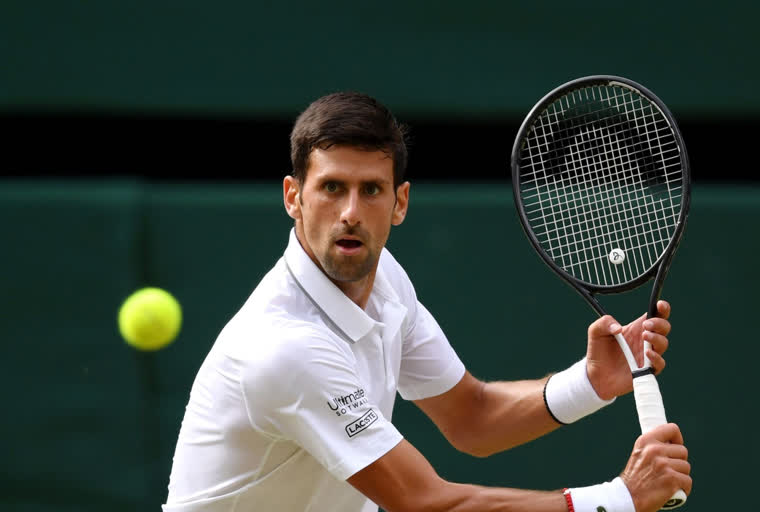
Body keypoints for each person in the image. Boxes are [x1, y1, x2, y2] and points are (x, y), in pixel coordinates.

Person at [163, 91, 692, 512]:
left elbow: (473, 419)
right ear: (293, 198)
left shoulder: (386, 281)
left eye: (371, 189)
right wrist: (616, 500)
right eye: (331, 188)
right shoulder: (286, 347)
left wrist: (591, 382)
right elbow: (426, 503)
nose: (350, 211)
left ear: (400, 203)